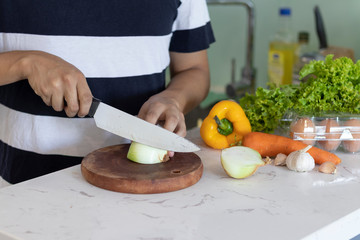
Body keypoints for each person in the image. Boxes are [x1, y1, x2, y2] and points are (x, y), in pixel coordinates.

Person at [0, 0, 215, 186]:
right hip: (25, 186)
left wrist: (174, 98)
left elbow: (194, 70)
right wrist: (25, 63)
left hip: (147, 187)